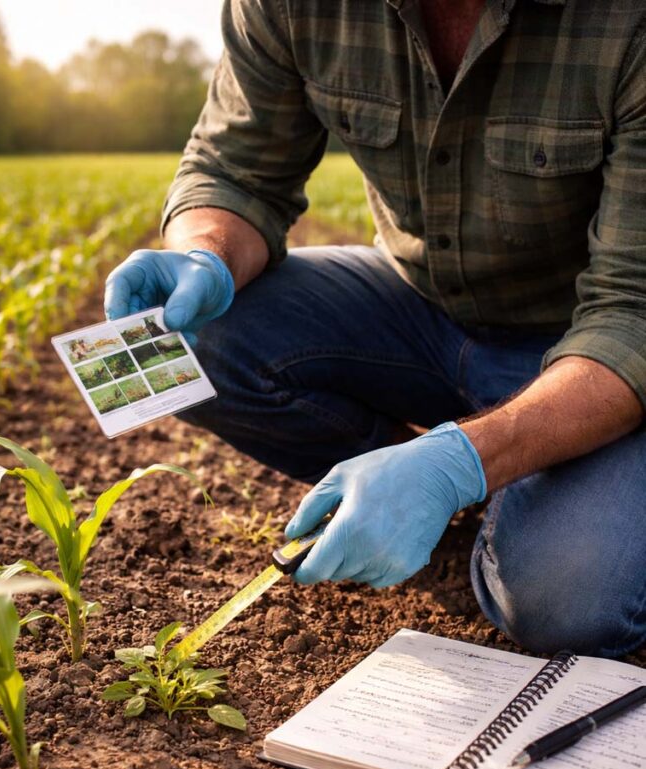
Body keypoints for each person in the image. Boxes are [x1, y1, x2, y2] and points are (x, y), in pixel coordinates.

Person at [105, 0, 646, 658]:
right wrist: (205, 253)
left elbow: (632, 312)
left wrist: (460, 463)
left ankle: (494, 476)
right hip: (416, 306)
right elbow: (235, 171)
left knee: (565, 598)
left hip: (590, 353)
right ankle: (438, 495)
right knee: (171, 348)